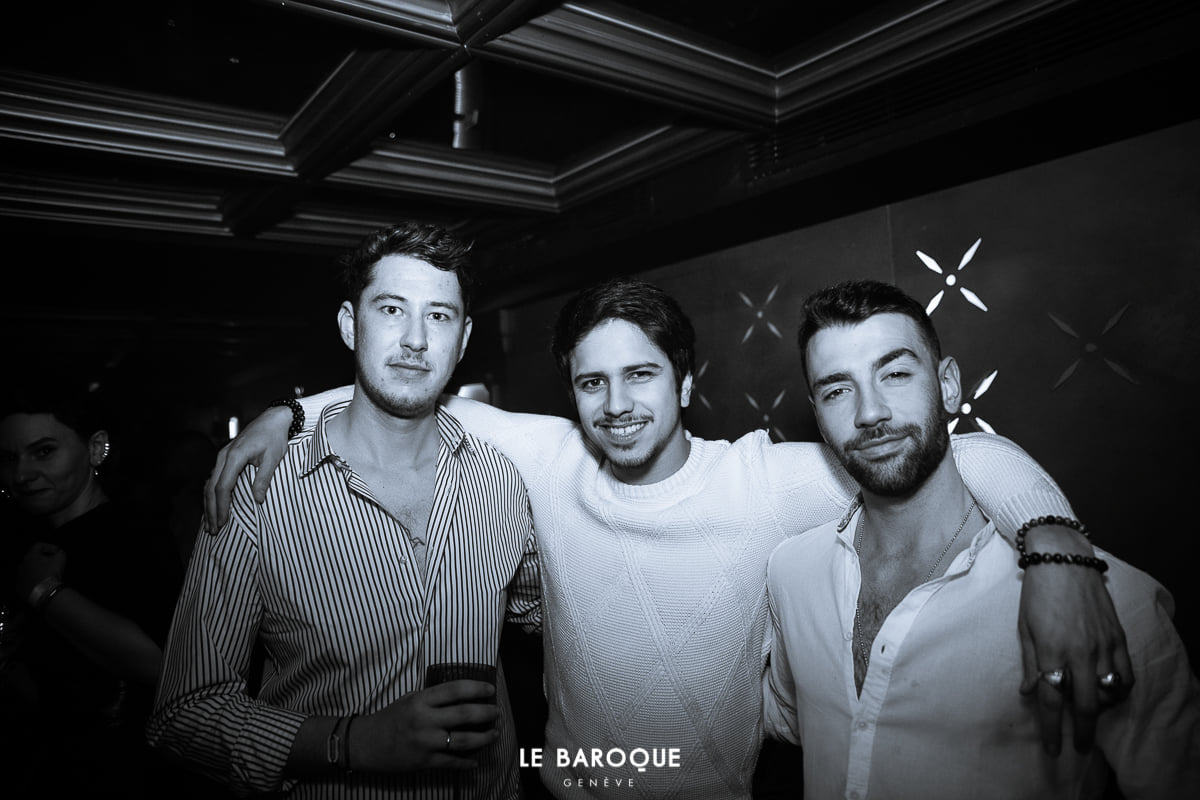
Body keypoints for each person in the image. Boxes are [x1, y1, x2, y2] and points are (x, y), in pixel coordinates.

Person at [207, 277, 1130, 799]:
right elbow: (406, 391)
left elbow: (958, 454)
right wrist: (291, 411)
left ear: (685, 384)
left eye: (642, 376)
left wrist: (1053, 544)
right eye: (592, 382)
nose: (616, 405)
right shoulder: (547, 458)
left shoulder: (764, 479)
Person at [146, 221, 541, 799]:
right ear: (350, 325)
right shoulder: (260, 491)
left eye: (438, 316)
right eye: (391, 309)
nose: (416, 339)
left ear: (463, 338)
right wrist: (351, 742)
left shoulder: (500, 480)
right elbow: (184, 713)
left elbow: (543, 612)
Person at [762, 279, 1199, 798]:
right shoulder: (793, 573)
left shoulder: (1102, 602)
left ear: (948, 385)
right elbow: (788, 721)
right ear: (817, 413)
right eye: (837, 390)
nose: (870, 412)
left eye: (895, 374)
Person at [0, 380, 184, 799]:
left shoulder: (131, 534)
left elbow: (163, 664)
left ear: (96, 449)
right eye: (9, 458)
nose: (22, 474)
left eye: (43, 452)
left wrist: (45, 592)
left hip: (125, 773)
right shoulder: (29, 537)